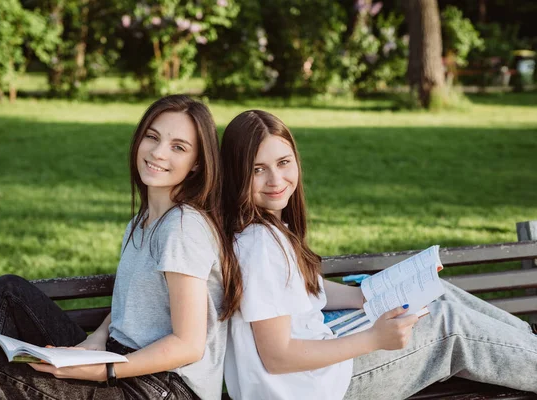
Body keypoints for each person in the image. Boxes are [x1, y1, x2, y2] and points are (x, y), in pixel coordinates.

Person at [220, 109, 537, 400]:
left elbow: (300, 288)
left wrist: (368, 295)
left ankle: (529, 342)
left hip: (317, 372)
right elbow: (277, 356)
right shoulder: (258, 245)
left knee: (435, 296)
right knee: (448, 323)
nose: (276, 179)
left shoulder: (265, 231)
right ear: (236, 175)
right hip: (316, 389)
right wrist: (374, 339)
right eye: (258, 169)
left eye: (283, 162)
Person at [0, 94, 234, 400]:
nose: (158, 153)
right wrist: (98, 338)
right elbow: (131, 300)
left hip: (159, 388)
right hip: (120, 360)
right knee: (7, 293)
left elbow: (188, 344)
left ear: (197, 162)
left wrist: (105, 370)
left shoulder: (183, 228)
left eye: (178, 147)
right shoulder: (143, 220)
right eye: (152, 137)